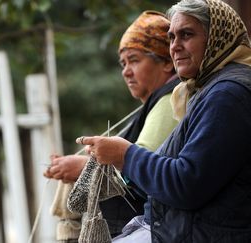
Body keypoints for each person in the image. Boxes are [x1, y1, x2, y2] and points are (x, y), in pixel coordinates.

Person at [79, 0, 251, 242]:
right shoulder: (204, 92)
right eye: (171, 37)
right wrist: (121, 162)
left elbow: (186, 185)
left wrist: (125, 155)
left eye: (186, 35)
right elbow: (168, 171)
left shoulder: (227, 94)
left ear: (216, 38)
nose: (175, 46)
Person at [44, 11, 180, 240]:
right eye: (123, 63)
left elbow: (142, 166)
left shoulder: (170, 100)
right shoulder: (157, 102)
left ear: (167, 62)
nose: (126, 71)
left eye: (134, 60)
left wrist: (81, 167)